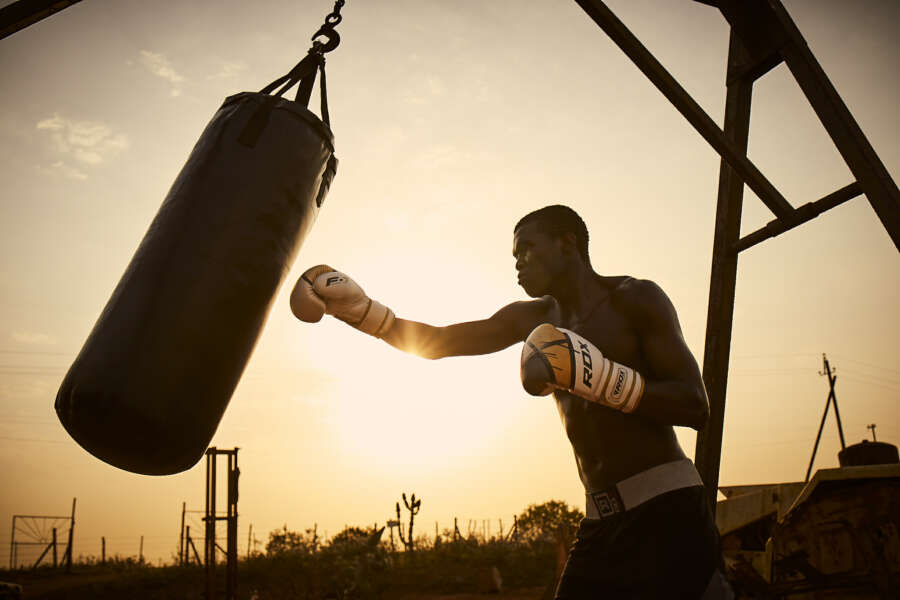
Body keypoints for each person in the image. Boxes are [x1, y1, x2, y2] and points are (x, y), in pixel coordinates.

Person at [290, 205, 732, 598]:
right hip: (601, 522)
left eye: (527, 250)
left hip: (668, 509)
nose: (518, 264)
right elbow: (441, 341)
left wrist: (605, 379)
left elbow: (695, 405)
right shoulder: (532, 318)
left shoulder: (635, 298)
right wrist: (363, 311)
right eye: (515, 256)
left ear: (567, 244)